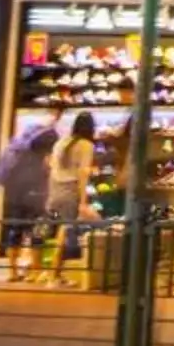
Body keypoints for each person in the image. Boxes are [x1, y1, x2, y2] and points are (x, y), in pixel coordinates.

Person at [43, 114, 98, 288]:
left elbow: (51, 165)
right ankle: (53, 275)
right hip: (70, 190)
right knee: (64, 232)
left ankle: (55, 273)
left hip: (55, 189)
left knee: (58, 230)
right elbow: (83, 174)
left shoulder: (62, 142)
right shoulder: (87, 145)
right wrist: (83, 201)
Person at [0, 130, 52, 282]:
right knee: (37, 234)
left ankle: (12, 272)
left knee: (14, 235)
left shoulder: (14, 153)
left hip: (13, 199)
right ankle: (35, 271)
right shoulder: (40, 158)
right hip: (34, 199)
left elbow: (2, 179)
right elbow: (44, 177)